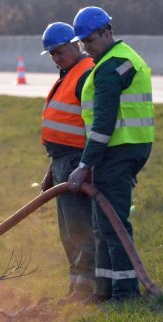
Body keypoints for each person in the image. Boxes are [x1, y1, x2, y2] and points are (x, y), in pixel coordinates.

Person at [67, 6, 154, 303]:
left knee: (114, 224)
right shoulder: (119, 58)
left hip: (117, 150)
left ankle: (125, 294)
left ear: (107, 32)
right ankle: (103, 291)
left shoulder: (109, 68)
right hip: (124, 149)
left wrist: (84, 165)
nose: (85, 47)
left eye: (89, 40)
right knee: (102, 224)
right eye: (81, 43)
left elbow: (103, 125)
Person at [39, 22, 96, 302]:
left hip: (77, 162)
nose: (55, 58)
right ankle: (75, 285)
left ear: (75, 45)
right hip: (63, 162)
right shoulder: (68, 74)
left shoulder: (84, 75)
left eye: (59, 51)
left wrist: (85, 166)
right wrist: (52, 170)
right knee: (67, 230)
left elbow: (92, 126)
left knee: (81, 227)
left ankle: (86, 287)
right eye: (51, 54)